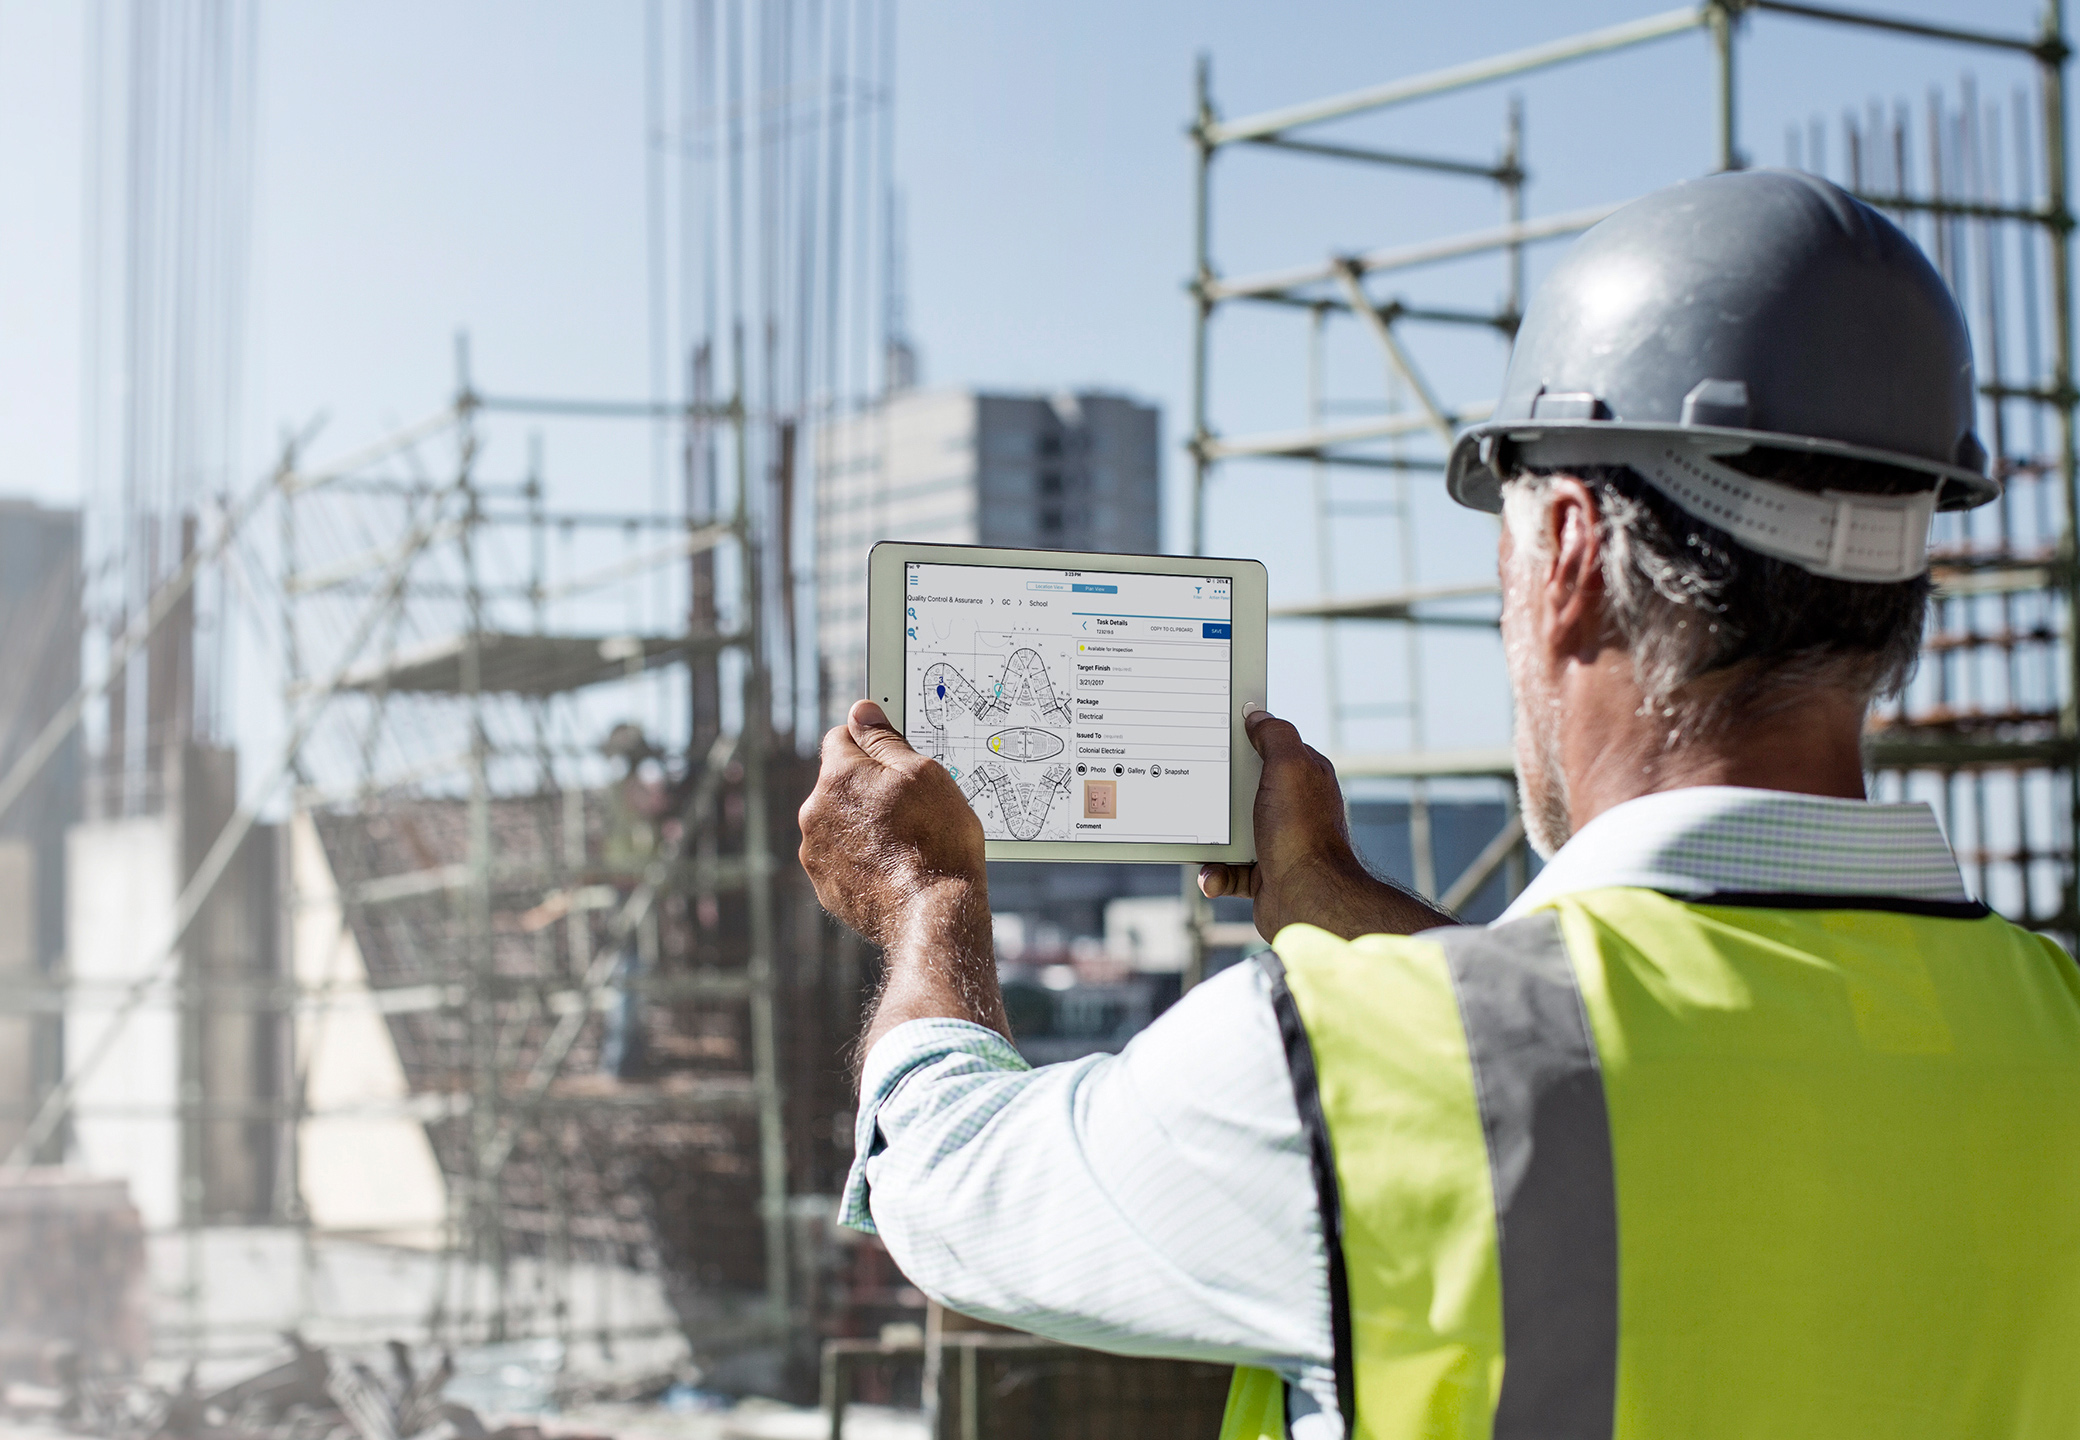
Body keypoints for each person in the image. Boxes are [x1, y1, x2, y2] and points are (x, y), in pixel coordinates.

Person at [798, 168, 2080, 1440]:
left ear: (1570, 555)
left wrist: (924, 902)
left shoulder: (1335, 1070)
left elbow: (957, 1178)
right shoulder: (2053, 1028)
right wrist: (1336, 903)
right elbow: (1640, 1069)